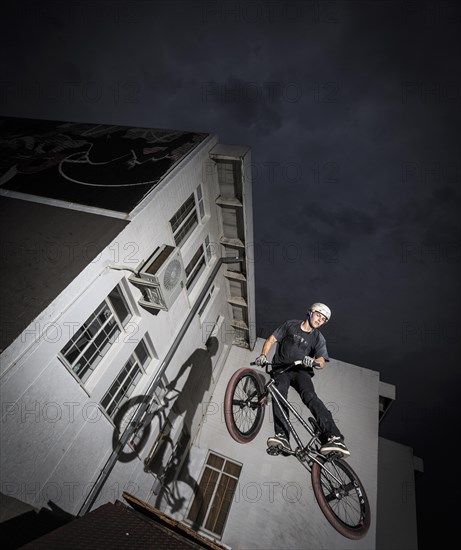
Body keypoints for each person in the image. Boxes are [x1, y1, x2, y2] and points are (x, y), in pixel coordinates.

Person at [255, 303, 350, 458]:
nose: (320, 320)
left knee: (310, 396)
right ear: (310, 312)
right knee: (279, 394)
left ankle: (335, 437)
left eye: (324, 319)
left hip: (301, 372)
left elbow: (321, 361)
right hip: (281, 369)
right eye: (319, 315)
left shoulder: (318, 338)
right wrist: (263, 355)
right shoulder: (290, 325)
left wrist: (313, 362)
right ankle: (282, 436)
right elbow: (271, 340)